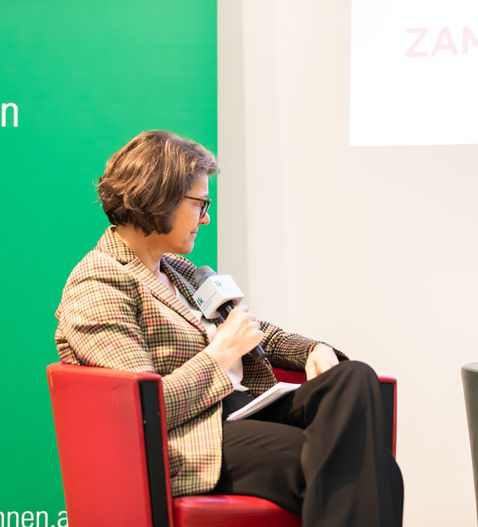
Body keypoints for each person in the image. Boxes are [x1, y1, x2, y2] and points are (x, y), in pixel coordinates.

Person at [55, 130, 403, 527]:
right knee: (368, 467)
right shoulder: (100, 282)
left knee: (353, 377)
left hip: (242, 410)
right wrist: (219, 356)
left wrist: (312, 350)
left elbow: (254, 331)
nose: (206, 217)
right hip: (194, 438)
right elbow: (142, 409)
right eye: (200, 204)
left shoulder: (179, 271)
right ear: (159, 197)